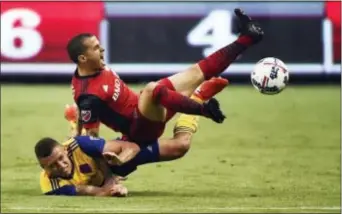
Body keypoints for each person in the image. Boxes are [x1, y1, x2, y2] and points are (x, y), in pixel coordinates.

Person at [68, 8, 263, 144]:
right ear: (83, 58)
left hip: (145, 110)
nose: (101, 48)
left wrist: (75, 130)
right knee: (153, 89)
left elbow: (80, 108)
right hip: (139, 128)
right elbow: (92, 138)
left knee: (195, 72)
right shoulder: (89, 95)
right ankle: (204, 109)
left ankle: (247, 38)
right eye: (95, 48)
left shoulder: (92, 71)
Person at [36, 79, 227, 196]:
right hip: (100, 165)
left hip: (118, 158)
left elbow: (133, 147)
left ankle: (197, 97)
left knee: (180, 145)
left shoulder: (80, 146)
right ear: (43, 168)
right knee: (81, 146)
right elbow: (90, 191)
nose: (60, 166)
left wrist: (116, 171)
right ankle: (73, 120)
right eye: (52, 166)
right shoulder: (51, 185)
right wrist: (111, 190)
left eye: (60, 159)